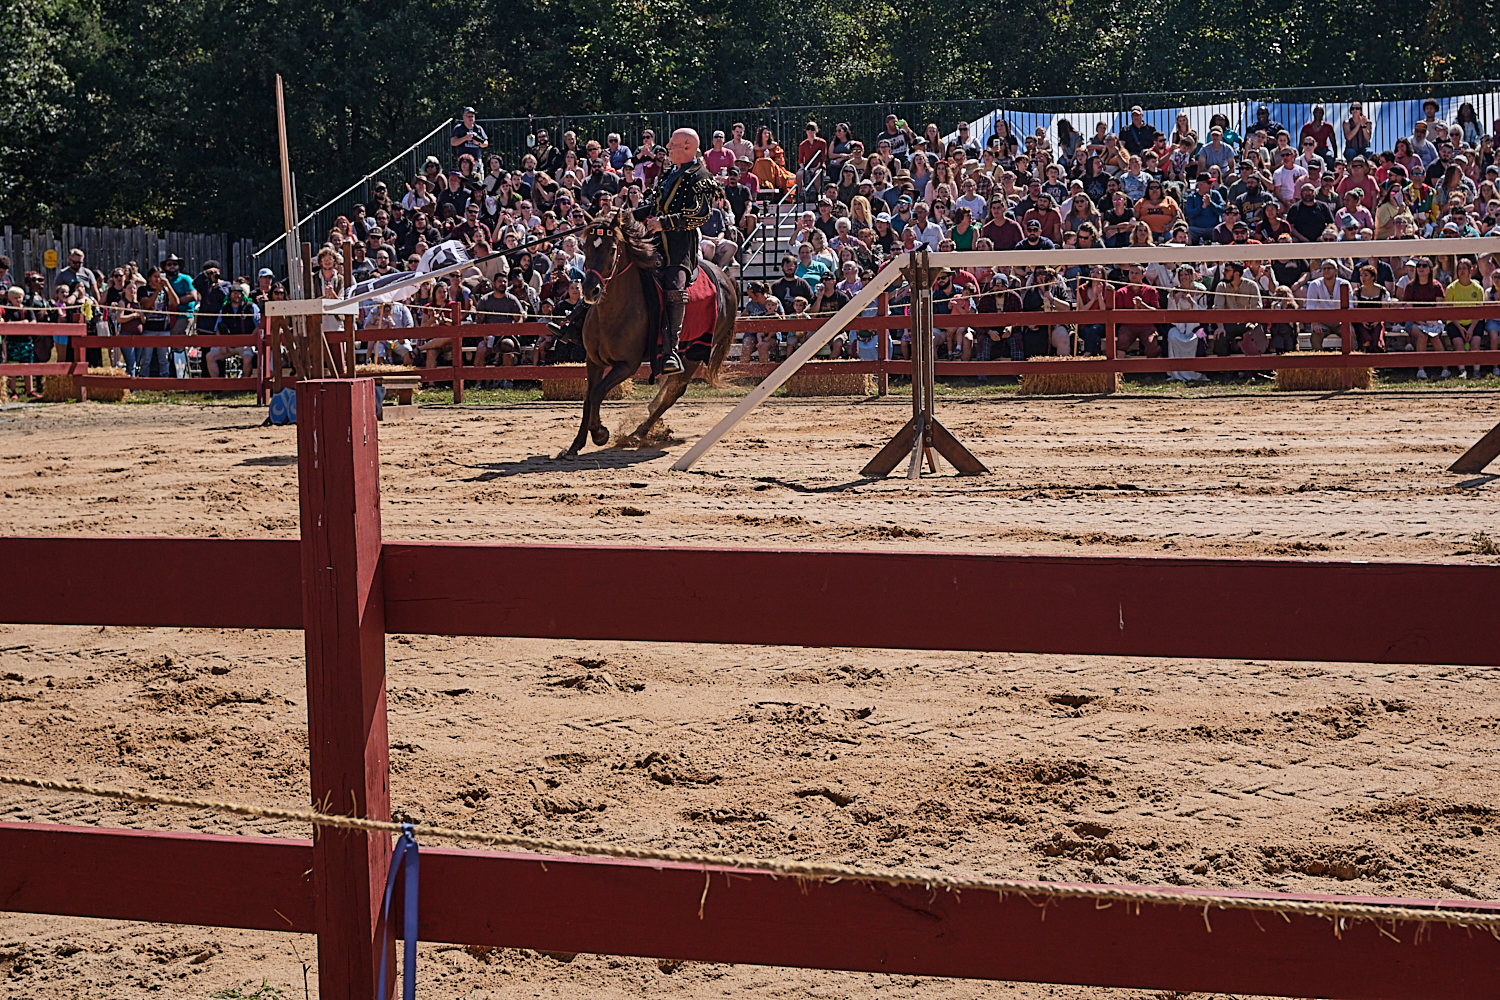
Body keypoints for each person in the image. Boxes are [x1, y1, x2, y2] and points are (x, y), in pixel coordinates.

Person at [1444, 257, 1485, 377]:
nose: (1462, 271)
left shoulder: (1478, 289)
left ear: (1471, 270)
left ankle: (1476, 370)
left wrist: (1471, 329)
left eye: (1464, 268)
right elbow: (1449, 311)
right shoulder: (1451, 288)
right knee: (1459, 345)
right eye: (1460, 268)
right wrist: (1461, 328)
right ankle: (1462, 371)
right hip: (1455, 322)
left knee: (1476, 345)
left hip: (1475, 322)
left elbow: (1480, 311)